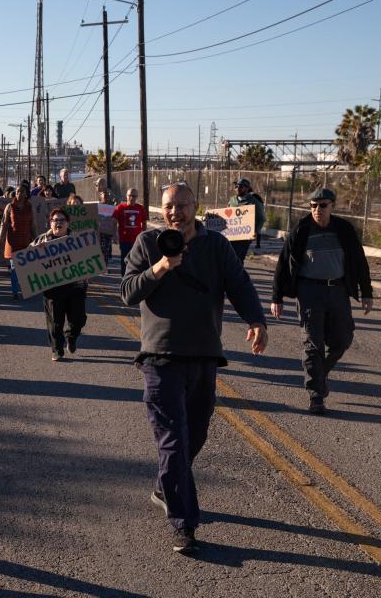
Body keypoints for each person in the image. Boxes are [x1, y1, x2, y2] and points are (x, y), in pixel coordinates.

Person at [121, 182, 268, 555]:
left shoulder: (216, 246)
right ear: (162, 209)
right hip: (160, 357)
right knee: (173, 440)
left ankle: (164, 486)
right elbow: (128, 292)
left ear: (196, 207)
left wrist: (256, 320)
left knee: (195, 436)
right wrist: (160, 268)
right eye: (170, 206)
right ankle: (183, 523)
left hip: (204, 355)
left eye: (183, 206)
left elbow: (239, 283)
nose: (176, 213)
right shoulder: (147, 244)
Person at [271, 187, 373, 416]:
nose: (317, 210)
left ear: (332, 206)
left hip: (337, 291)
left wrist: (367, 292)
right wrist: (276, 297)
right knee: (312, 344)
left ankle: (320, 373)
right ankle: (316, 396)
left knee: (343, 340)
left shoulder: (344, 229)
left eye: (323, 205)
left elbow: (359, 260)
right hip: (309, 292)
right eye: (313, 205)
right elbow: (283, 262)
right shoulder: (302, 229)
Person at [33, 209, 88, 361]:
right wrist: (38, 251)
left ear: (68, 222)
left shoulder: (77, 239)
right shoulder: (41, 240)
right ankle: (57, 350)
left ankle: (71, 336)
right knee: (55, 322)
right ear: (50, 223)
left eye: (62, 220)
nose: (58, 223)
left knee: (78, 319)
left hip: (75, 286)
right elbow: (28, 260)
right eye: (55, 220)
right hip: (53, 287)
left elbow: (89, 257)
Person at [0, 185, 35, 300]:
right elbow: (4, 225)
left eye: (22, 191)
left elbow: (33, 225)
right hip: (13, 242)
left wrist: (37, 239)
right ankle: (15, 292)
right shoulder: (9, 206)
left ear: (26, 194)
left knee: (25, 268)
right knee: (14, 269)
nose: (20, 193)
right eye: (18, 191)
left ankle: (25, 289)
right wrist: (0, 241)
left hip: (26, 241)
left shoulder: (30, 207)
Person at [228, 178, 266, 262]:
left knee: (239, 258)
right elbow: (227, 215)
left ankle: (238, 274)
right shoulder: (232, 200)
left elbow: (261, 218)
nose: (238, 188)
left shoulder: (254, 201)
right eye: (236, 186)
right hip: (231, 236)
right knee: (229, 257)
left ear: (247, 188)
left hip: (244, 237)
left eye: (241, 186)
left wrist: (255, 231)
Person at [114, 187, 148, 277]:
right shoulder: (120, 207)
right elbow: (113, 222)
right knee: (124, 260)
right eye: (130, 195)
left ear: (137, 197)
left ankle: (135, 278)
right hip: (124, 240)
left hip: (137, 240)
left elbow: (144, 223)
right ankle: (124, 278)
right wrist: (115, 235)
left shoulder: (140, 208)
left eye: (134, 196)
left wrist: (144, 236)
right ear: (126, 196)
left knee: (138, 260)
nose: (132, 198)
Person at [98, 188, 115, 269]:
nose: (105, 197)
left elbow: (114, 221)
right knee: (101, 250)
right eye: (103, 195)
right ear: (100, 197)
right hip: (100, 232)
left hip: (108, 232)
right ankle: (102, 266)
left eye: (106, 196)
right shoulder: (97, 206)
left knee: (106, 250)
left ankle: (105, 265)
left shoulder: (112, 206)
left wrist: (115, 233)